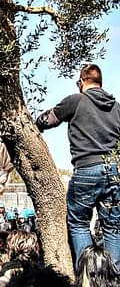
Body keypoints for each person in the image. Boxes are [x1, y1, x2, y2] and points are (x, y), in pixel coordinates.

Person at [36, 63, 120, 269]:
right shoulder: (117, 107)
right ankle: (114, 277)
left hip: (86, 170)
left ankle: (88, 277)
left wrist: (36, 124)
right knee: (113, 227)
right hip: (113, 172)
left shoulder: (76, 101)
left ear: (81, 82)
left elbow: (47, 120)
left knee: (79, 224)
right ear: (100, 83)